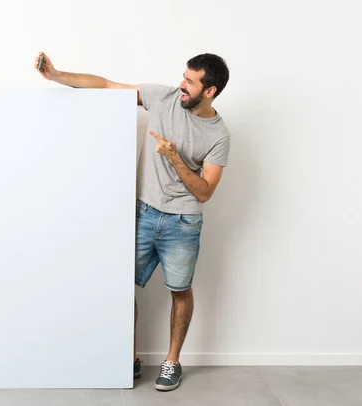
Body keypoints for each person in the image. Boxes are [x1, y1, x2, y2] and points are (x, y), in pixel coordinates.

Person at [34, 52, 231, 392]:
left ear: (209, 91)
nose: (181, 85)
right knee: (120, 285)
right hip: (143, 212)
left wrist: (175, 158)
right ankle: (130, 357)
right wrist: (56, 75)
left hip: (182, 222)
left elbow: (204, 192)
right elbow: (108, 85)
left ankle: (172, 361)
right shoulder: (164, 97)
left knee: (180, 292)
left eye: (190, 81)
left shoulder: (219, 135)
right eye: (183, 77)